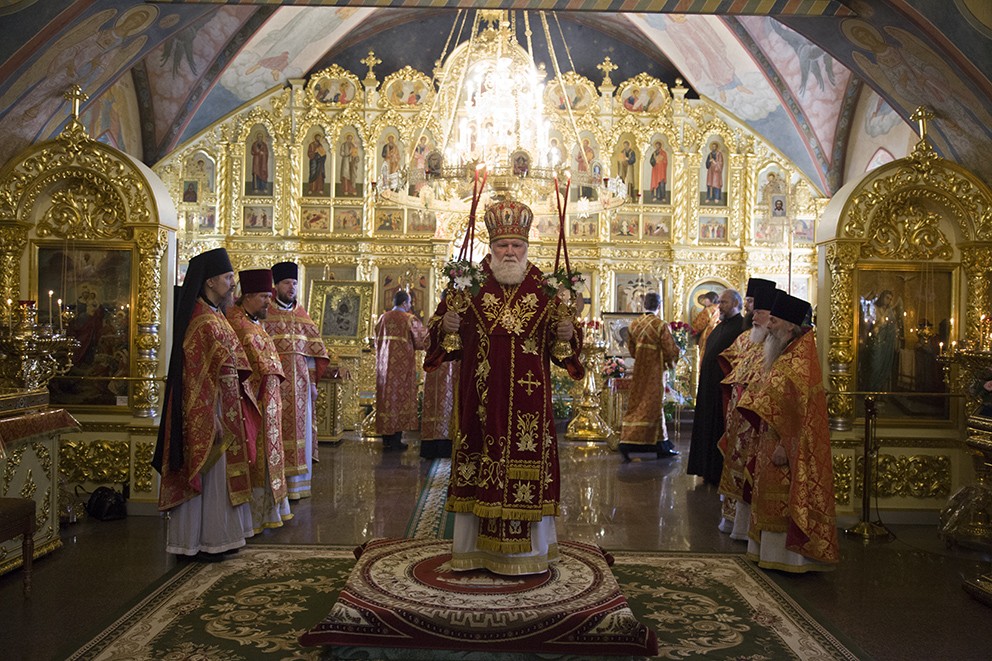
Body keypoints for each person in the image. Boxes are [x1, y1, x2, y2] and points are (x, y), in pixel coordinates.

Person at [424, 196, 584, 575]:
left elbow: (563, 350)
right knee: (478, 461)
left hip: (531, 406)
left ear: (526, 246)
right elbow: (443, 341)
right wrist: (445, 326)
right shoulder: (468, 285)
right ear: (491, 246)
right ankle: (473, 551)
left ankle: (531, 555)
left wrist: (568, 334)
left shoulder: (547, 289)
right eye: (502, 245)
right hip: (479, 402)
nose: (509, 252)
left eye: (516, 245)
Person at [152, 247, 256, 559]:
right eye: (228, 277)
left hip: (225, 406)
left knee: (220, 478)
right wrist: (211, 415)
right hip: (209, 410)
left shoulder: (215, 315)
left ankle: (219, 537)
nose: (232, 284)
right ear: (210, 281)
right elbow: (195, 376)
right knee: (208, 475)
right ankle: (199, 542)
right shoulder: (200, 321)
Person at [737, 291, 839, 573]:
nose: (769, 325)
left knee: (782, 498)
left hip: (787, 445)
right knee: (768, 496)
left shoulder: (798, 360)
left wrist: (785, 445)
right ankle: (768, 553)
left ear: (790, 326)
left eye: (775, 321)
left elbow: (799, 411)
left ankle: (788, 559)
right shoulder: (785, 352)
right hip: (772, 439)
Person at [226, 269, 290, 532]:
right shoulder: (239, 325)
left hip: (267, 403)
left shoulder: (252, 322)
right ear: (249, 296)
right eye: (264, 297)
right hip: (253, 404)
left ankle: (266, 514)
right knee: (256, 459)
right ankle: (252, 519)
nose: (268, 302)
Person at [262, 261, 331, 500]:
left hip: (301, 389)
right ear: (276, 285)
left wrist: (312, 384)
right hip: (275, 388)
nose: (291, 288)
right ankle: (277, 485)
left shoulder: (302, 315)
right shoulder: (266, 315)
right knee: (276, 434)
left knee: (301, 434)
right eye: (286, 283)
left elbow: (312, 356)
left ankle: (298, 487)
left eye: (294, 283)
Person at [716, 278, 777, 537]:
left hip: (757, 422)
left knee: (752, 471)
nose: (752, 316)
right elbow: (730, 365)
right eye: (753, 310)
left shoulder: (776, 344)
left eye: (759, 312)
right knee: (736, 468)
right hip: (738, 417)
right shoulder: (746, 338)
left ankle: (749, 528)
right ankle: (734, 523)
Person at [687, 288, 744, 486]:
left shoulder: (741, 327)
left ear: (736, 303)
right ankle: (705, 468)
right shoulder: (720, 326)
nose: (720, 306)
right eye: (719, 302)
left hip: (723, 390)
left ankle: (717, 471)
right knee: (707, 427)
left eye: (724, 302)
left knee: (719, 427)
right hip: (709, 387)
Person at [618, 292, 680, 462]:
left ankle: (660, 444)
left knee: (637, 403)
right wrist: (672, 361)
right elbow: (670, 350)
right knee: (652, 405)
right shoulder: (660, 325)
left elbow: (632, 350)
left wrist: (641, 356)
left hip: (639, 371)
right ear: (659, 306)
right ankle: (629, 443)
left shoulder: (634, 324)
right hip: (655, 371)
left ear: (643, 304)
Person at [374, 290, 427, 451]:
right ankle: (396, 440)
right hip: (402, 368)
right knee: (399, 399)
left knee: (386, 399)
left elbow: (376, 340)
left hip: (384, 367)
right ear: (404, 303)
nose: (410, 305)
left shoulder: (383, 318)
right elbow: (422, 341)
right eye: (409, 302)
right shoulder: (409, 319)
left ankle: (386, 440)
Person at [862, 289, 902, 393]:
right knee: (875, 366)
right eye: (887, 298)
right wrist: (877, 325)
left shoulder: (890, 312)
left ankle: (881, 392)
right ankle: (871, 391)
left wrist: (896, 338)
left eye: (890, 299)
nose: (888, 301)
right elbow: (868, 324)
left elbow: (894, 326)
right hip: (876, 341)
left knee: (885, 366)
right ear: (882, 297)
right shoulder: (874, 308)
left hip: (887, 342)